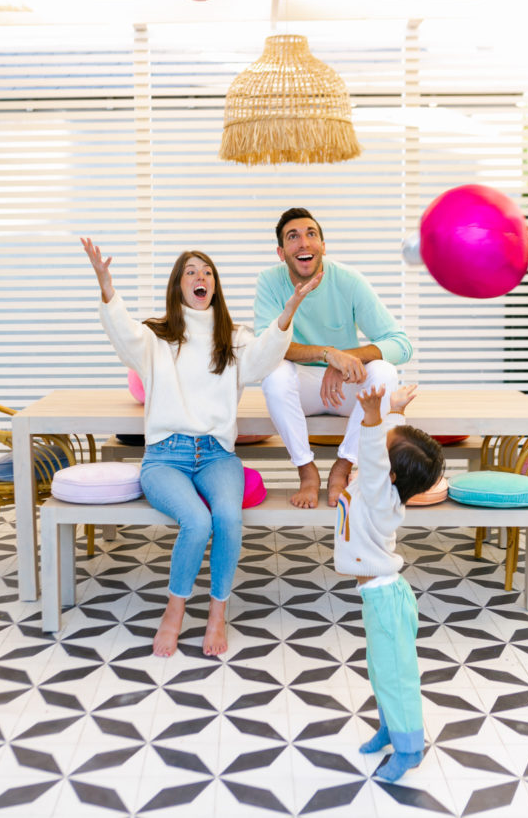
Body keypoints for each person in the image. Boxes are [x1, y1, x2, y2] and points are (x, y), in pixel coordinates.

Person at [81, 237, 321, 658]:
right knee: (197, 521)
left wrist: (291, 307)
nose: (201, 277)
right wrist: (105, 284)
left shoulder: (233, 338)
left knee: (227, 518)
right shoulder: (155, 338)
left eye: (207, 272)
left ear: (215, 286)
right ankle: (173, 613)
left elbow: (266, 357)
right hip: (165, 458)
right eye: (191, 271)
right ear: (178, 286)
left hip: (216, 456)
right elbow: (119, 329)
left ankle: (216, 616)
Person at [254, 207, 413, 509]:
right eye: (293, 237)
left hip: (345, 391)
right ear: (281, 251)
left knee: (385, 374)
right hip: (298, 390)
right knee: (274, 374)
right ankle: (306, 471)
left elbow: (401, 344)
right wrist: (327, 354)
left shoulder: (349, 280)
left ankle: (343, 467)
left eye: (311, 234)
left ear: (323, 247)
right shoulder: (269, 282)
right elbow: (265, 347)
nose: (303, 243)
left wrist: (343, 360)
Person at [335, 383, 444, 782]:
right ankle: (388, 727)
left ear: (389, 472)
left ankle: (410, 748)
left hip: (386, 600)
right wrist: (394, 412)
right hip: (377, 596)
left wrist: (371, 417)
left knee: (396, 676)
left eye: (381, 444)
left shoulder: (380, 496)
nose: (374, 443)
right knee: (381, 670)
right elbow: (385, 456)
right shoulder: (376, 487)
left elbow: (378, 457)